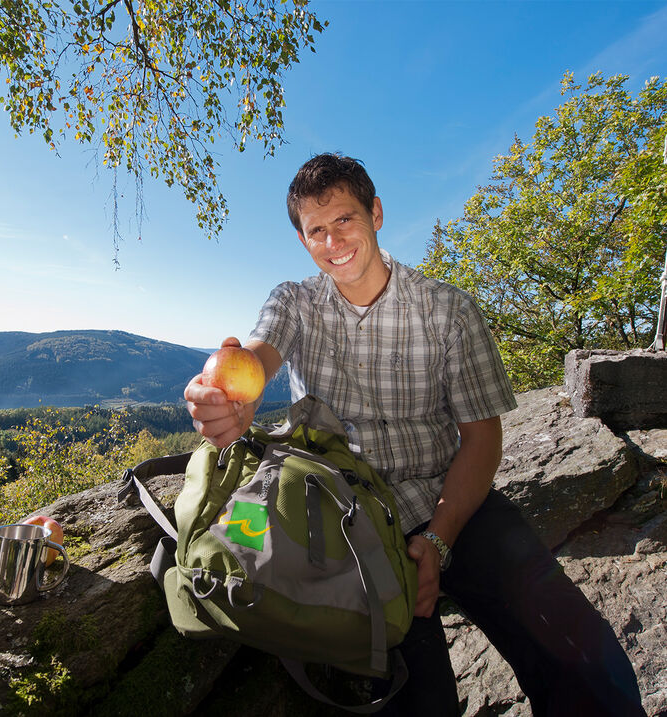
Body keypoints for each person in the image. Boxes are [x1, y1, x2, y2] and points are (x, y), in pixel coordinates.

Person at [183, 153, 644, 716]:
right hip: (345, 513)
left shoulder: (448, 311)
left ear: (376, 214)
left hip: (447, 494)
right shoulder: (295, 302)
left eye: (345, 219)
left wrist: (441, 540)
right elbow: (259, 354)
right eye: (317, 231)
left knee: (579, 652)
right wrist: (232, 397)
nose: (333, 241)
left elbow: (480, 437)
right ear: (305, 241)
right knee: (412, 695)